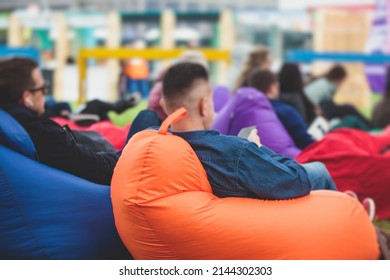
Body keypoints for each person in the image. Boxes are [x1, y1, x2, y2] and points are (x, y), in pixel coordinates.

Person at [133, 62, 337, 200]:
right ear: (204, 106)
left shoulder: (150, 143)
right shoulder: (234, 152)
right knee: (319, 170)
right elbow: (295, 180)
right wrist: (258, 150)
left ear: (163, 103)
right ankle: (347, 216)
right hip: (253, 200)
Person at [0, 57, 129, 185]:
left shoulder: (12, 123)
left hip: (89, 170)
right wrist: (127, 155)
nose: (45, 94)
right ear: (27, 98)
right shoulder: (43, 133)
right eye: (44, 88)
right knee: (146, 123)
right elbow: (99, 168)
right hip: (107, 183)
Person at [248, 68, 315, 149]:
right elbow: (306, 142)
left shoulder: (248, 113)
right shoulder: (286, 111)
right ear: (272, 88)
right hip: (292, 158)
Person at [304, 64, 372, 129]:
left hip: (310, 109)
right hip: (311, 111)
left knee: (345, 109)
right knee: (348, 109)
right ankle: (370, 126)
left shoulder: (322, 81)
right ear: (339, 78)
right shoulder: (328, 85)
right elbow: (329, 106)